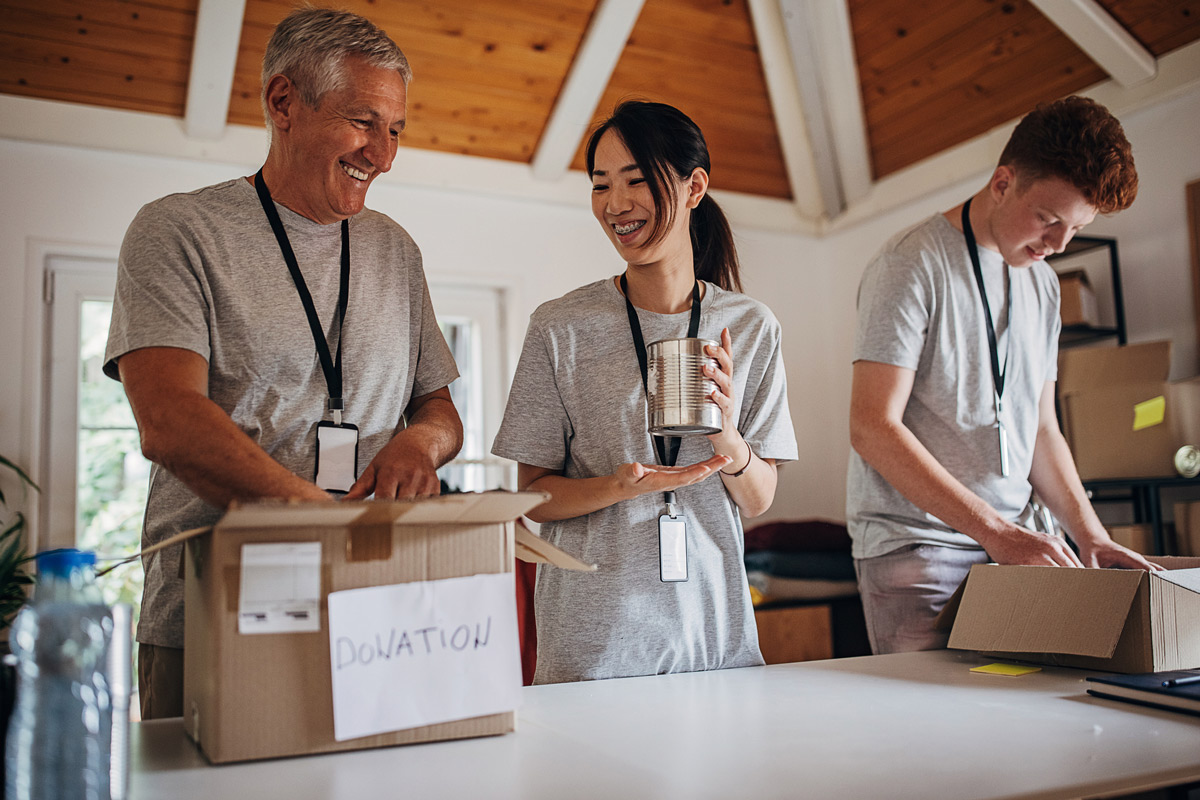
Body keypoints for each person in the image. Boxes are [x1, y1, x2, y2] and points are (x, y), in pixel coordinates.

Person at [104, 8, 463, 718]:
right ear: (283, 102)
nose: (383, 155)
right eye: (364, 121)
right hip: (213, 612)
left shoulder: (396, 249)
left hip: (375, 613)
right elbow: (170, 422)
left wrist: (420, 444)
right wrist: (322, 524)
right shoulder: (177, 230)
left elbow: (440, 409)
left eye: (395, 130)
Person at [492, 101, 798, 684]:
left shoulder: (751, 325)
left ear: (694, 187)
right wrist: (619, 487)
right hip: (593, 647)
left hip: (715, 639)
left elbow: (759, 500)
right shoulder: (561, 325)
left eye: (636, 179)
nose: (615, 203)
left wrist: (726, 435)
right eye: (601, 184)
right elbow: (531, 497)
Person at [846, 95, 1158, 655]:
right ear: (1002, 183)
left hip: (1020, 542)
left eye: (1076, 227)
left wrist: (1091, 536)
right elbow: (872, 427)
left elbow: (1041, 429)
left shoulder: (1042, 285)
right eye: (1049, 218)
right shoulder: (909, 265)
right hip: (919, 547)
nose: (1059, 244)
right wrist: (995, 533)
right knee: (940, 731)